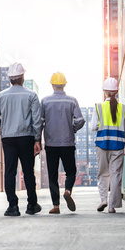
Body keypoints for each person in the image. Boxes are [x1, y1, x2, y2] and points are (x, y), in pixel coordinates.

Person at [0, 62, 42, 216]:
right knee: (28, 172)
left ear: (10, 79)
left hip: (8, 138)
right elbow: (37, 120)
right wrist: (37, 139)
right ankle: (32, 204)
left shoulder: (1, 96)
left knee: (10, 172)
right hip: (26, 137)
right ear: (22, 77)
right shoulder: (31, 95)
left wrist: (4, 125)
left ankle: (13, 206)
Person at [41, 72, 85, 214]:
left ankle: (56, 206)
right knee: (71, 171)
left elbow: (39, 122)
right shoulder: (72, 101)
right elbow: (80, 120)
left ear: (52, 85)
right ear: (64, 85)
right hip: (67, 142)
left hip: (51, 143)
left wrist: (37, 138)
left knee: (52, 175)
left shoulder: (45, 101)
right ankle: (67, 191)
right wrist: (72, 129)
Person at [91, 77, 125, 213]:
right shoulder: (124, 108)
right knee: (116, 175)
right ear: (117, 91)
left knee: (103, 173)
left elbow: (93, 127)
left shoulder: (98, 106)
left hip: (102, 145)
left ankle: (103, 199)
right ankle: (112, 206)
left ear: (104, 92)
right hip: (118, 146)